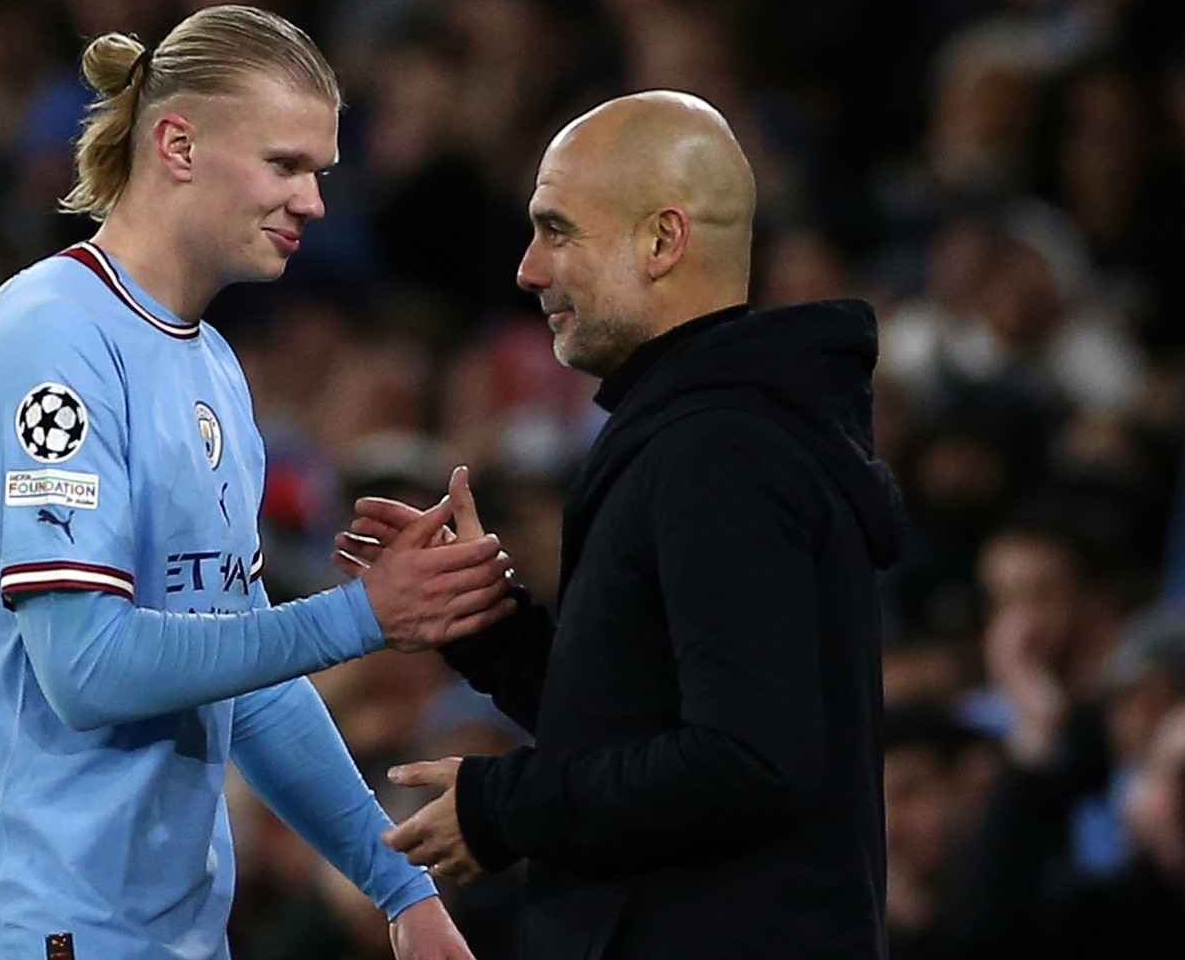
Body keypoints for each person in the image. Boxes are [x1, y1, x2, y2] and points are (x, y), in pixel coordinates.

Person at [0, 5, 515, 960]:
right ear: (178, 144)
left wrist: (399, 886)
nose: (314, 201)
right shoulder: (50, 340)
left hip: (173, 932)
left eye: (319, 171)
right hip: (38, 925)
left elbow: (250, 681)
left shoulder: (214, 368)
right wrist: (361, 615)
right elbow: (84, 666)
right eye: (286, 165)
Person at [336, 91, 907, 958]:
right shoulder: (699, 431)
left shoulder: (720, 448)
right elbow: (635, 726)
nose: (529, 269)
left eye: (558, 229)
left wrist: (505, 807)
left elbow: (750, 757)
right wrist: (485, 623)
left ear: (662, 241)